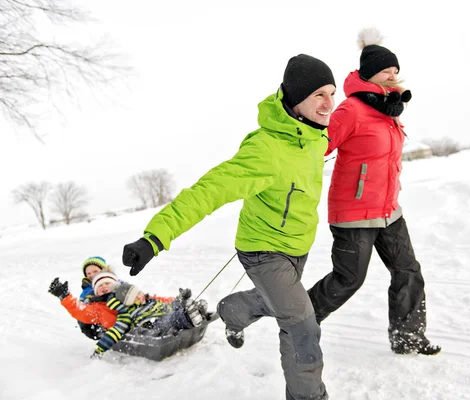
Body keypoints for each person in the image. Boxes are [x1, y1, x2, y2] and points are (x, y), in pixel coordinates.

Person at [120, 54, 335, 400]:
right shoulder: (265, 150)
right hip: (264, 251)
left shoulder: (315, 137)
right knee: (301, 326)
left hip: (298, 246)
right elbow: (209, 190)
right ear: (296, 99)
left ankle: (230, 311)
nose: (329, 104)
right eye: (319, 95)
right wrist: (156, 236)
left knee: (275, 302)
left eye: (332, 93)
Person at [307, 28, 441, 356]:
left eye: (396, 72)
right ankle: (301, 319)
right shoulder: (351, 110)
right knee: (348, 279)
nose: (394, 77)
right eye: (386, 72)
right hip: (353, 212)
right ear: (370, 76)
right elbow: (316, 148)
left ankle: (408, 336)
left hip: (388, 209)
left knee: (408, 270)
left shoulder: (388, 110)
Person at [91, 281, 205, 359]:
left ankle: (192, 310)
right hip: (153, 327)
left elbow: (168, 307)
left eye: (139, 293)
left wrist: (179, 300)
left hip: (166, 317)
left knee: (173, 310)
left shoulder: (151, 301)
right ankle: (190, 316)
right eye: (135, 297)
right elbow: (116, 331)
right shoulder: (127, 313)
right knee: (170, 320)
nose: (140, 296)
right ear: (129, 302)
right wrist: (100, 349)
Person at [48, 271, 176, 339]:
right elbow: (80, 310)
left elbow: (151, 298)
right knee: (145, 328)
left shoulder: (126, 295)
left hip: (146, 319)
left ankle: (183, 313)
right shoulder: (97, 308)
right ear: (96, 291)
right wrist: (65, 297)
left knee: (161, 311)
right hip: (129, 333)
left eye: (107, 284)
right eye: (100, 286)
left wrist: (174, 300)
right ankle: (160, 331)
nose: (104, 287)